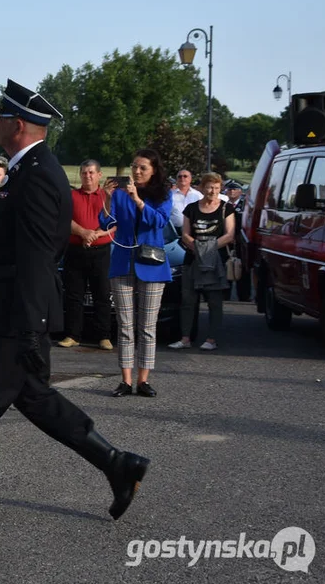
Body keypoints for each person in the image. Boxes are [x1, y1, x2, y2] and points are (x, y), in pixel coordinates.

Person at [0, 79, 148, 527]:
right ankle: (117, 464)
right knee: (35, 398)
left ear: (17, 125)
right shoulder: (27, 170)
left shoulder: (38, 174)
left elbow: (40, 254)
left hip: (16, 309)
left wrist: (30, 322)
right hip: (11, 304)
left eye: (1, 117)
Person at [101, 149, 172, 398]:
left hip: (151, 265)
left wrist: (138, 200)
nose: (137, 171)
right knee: (124, 325)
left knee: (147, 326)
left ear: (154, 170)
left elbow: (159, 222)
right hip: (122, 262)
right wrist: (109, 199)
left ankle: (143, 380)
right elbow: (105, 223)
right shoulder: (120, 194)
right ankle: (125, 380)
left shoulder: (164, 194)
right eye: (134, 166)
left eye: (143, 167)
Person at [168, 173, 234, 352]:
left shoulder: (226, 208)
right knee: (188, 300)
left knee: (214, 302)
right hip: (192, 259)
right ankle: (185, 338)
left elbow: (229, 235)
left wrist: (208, 248)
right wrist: (196, 247)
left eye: (217, 188)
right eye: (209, 187)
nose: (213, 191)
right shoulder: (191, 208)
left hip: (216, 262)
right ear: (202, 188)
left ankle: (211, 339)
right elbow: (186, 234)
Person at [57, 160, 115, 350]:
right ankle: (73, 334)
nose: (87, 176)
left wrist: (96, 234)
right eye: (84, 173)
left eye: (91, 173)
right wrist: (83, 232)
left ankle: (104, 336)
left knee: (102, 294)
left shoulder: (108, 196)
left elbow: (114, 221)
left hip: (101, 251)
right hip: (75, 250)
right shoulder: (71, 195)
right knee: (74, 295)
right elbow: (65, 219)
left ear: (99, 175)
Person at [223, 179, 251, 301]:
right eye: (229, 189)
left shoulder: (245, 206)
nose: (232, 191)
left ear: (240, 192)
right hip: (226, 243)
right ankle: (225, 296)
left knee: (243, 269)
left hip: (241, 243)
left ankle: (244, 296)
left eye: (235, 189)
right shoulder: (223, 206)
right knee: (226, 268)